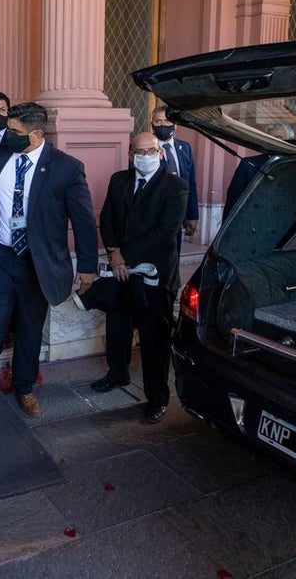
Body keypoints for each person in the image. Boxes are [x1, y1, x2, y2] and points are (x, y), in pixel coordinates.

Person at [0, 102, 97, 419]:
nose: (7, 135)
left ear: (37, 134)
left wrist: (87, 266)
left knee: (30, 327)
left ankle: (25, 387)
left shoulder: (66, 168)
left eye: (15, 131)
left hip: (36, 262)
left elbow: (83, 220)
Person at [89, 131, 188, 424]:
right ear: (131, 154)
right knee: (117, 328)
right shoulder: (119, 180)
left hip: (155, 276)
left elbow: (165, 232)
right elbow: (107, 219)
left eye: (151, 151)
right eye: (139, 152)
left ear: (160, 153)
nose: (145, 157)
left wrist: (123, 256)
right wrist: (113, 252)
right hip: (120, 271)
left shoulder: (176, 186)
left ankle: (157, 399)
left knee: (154, 339)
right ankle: (117, 374)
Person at [222, 122, 293, 220]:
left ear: (290, 141)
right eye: (268, 138)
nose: (272, 142)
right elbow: (232, 201)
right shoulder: (248, 165)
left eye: (278, 138)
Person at [151, 105, 198, 240]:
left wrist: (192, 215)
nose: (163, 125)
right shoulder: (145, 148)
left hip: (177, 216)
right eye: (158, 121)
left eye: (167, 121)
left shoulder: (185, 148)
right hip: (153, 218)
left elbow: (191, 183)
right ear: (152, 124)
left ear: (175, 125)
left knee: (174, 252)